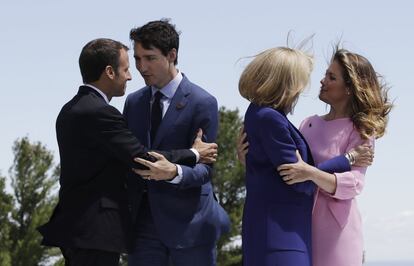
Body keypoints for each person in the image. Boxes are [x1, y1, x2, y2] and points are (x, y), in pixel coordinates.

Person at [37, 38, 218, 266]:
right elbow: (142, 159)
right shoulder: (101, 112)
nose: (132, 76)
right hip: (95, 230)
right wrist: (194, 153)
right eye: (126, 69)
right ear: (110, 72)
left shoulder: (72, 108)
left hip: (79, 228)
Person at [124, 20, 230, 266]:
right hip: (143, 228)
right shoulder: (133, 102)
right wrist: (191, 154)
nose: (142, 67)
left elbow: (206, 169)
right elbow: (133, 156)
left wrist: (174, 172)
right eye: (138, 59)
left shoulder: (203, 102)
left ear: (172, 55)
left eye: (149, 58)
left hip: (191, 227)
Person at [276, 48, 392, 266]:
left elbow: (354, 184)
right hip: (299, 223)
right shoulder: (308, 123)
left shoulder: (361, 130)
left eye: (332, 77)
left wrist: (309, 173)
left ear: (349, 88)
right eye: (325, 74)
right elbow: (289, 169)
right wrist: (248, 159)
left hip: (337, 232)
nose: (322, 81)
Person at [238, 46, 338, 266]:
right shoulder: (270, 119)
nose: (300, 89)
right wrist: (346, 160)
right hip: (280, 236)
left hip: (271, 232)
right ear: (287, 82)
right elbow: (297, 179)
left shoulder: (257, 112)